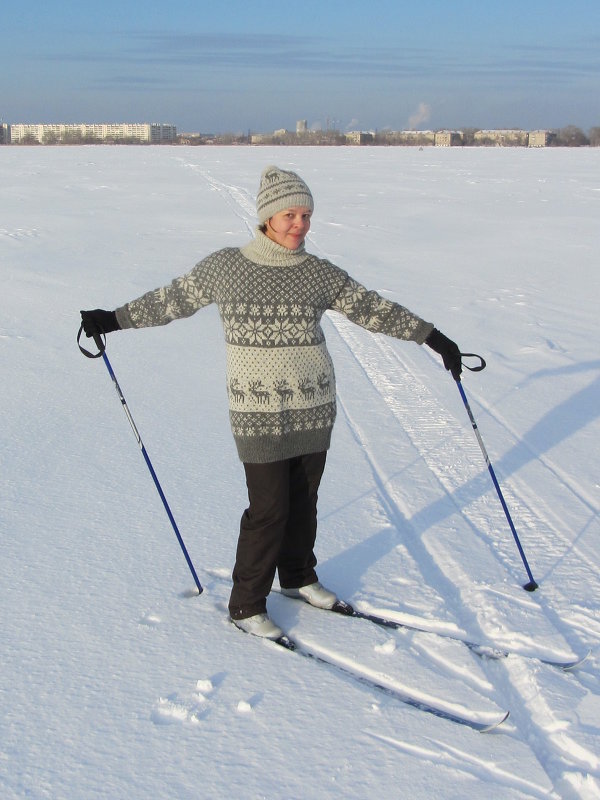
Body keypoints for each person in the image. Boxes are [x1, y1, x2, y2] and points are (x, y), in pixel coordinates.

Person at [81, 165, 462, 640]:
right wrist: (112, 319)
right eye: (290, 215)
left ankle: (299, 577)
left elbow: (372, 308)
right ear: (266, 218)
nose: (300, 225)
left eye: (306, 215)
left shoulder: (320, 273)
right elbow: (172, 300)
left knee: (304, 501)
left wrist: (432, 337)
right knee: (269, 509)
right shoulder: (226, 267)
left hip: (314, 402)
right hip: (256, 409)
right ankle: (246, 603)